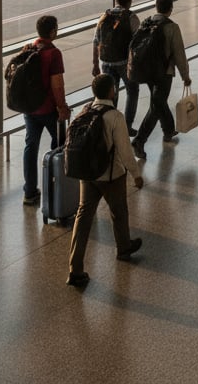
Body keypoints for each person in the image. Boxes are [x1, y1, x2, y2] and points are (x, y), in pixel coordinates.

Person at [66, 74, 145, 287]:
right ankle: (123, 247)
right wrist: (136, 174)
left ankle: (75, 268)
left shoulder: (85, 112)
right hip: (111, 175)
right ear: (112, 91)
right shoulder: (115, 117)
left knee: (83, 218)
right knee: (119, 211)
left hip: (87, 174)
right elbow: (125, 151)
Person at [131, 0, 191, 161]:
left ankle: (169, 130)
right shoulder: (172, 27)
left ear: (156, 7)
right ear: (170, 9)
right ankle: (139, 141)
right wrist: (185, 76)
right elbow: (179, 54)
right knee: (156, 105)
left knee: (158, 101)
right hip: (163, 73)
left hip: (146, 71)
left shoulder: (146, 22)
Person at [21, 14, 71, 206]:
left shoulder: (29, 48)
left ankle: (30, 191)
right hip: (49, 109)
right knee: (61, 145)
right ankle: (57, 186)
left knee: (30, 147)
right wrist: (62, 107)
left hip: (30, 109)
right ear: (52, 31)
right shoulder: (53, 53)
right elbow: (57, 85)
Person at [91, 0, 141, 135]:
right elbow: (137, 43)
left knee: (110, 94)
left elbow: (95, 42)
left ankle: (110, 126)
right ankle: (127, 125)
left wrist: (95, 64)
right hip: (124, 62)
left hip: (106, 62)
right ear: (129, 1)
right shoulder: (131, 17)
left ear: (116, 0)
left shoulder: (103, 17)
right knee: (132, 91)